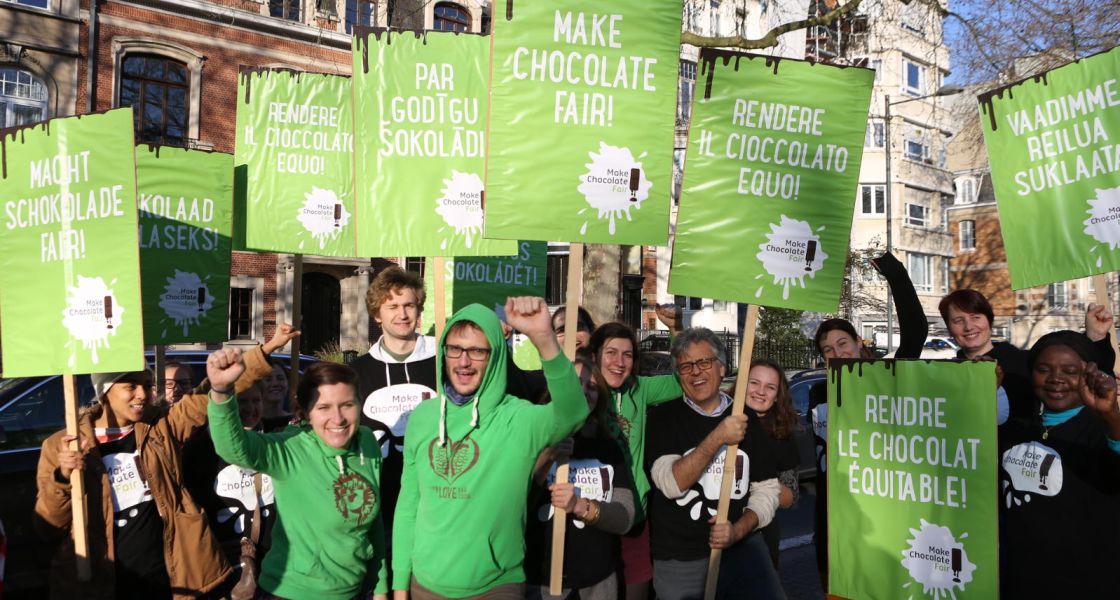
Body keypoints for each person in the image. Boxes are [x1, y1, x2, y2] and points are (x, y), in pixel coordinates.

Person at [34, 331, 288, 599]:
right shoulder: (64, 445)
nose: (142, 394)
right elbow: (48, 526)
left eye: (146, 385)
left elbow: (210, 392)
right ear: (105, 392)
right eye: (130, 387)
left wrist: (267, 349)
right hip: (101, 581)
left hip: (166, 575)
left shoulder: (161, 426)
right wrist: (64, 476)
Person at [392, 298, 588, 599]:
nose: (463, 361)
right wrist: (400, 582)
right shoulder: (423, 417)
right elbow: (408, 505)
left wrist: (544, 339)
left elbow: (573, 412)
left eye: (477, 351)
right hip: (425, 585)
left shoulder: (519, 418)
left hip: (495, 586)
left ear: (495, 356)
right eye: (455, 348)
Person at [208, 354, 389, 600]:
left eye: (347, 404)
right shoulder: (289, 448)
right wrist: (221, 391)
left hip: (354, 592)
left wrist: (380, 587)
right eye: (323, 408)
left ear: (360, 404)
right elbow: (232, 447)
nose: (338, 418)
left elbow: (373, 523)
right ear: (307, 413)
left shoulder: (366, 441)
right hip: (290, 592)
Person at [809, 251, 927, 584]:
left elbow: (916, 333)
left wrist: (895, 273)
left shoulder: (885, 378)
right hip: (834, 522)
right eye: (828, 350)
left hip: (883, 520)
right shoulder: (820, 393)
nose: (838, 353)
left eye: (843, 343)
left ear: (859, 342)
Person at [645, 328, 785, 600]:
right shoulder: (662, 419)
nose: (696, 372)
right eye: (686, 366)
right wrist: (719, 436)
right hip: (682, 560)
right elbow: (672, 484)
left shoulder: (746, 418)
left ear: (722, 368)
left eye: (704, 362)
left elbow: (767, 490)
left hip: (744, 551)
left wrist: (738, 530)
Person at [998, 330, 1120, 597]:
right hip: (1022, 582)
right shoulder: (1015, 429)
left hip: (1087, 585)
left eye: (1070, 371)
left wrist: (1111, 418)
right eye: (1044, 369)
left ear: (1088, 375)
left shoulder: (1102, 430)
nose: (1056, 378)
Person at [525, 353, 636, 600]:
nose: (584, 391)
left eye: (592, 387)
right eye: (575, 383)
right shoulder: (532, 437)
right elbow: (515, 507)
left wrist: (579, 505)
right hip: (542, 581)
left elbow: (625, 517)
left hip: (598, 582)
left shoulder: (608, 447)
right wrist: (547, 457)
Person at [587, 322, 682, 600]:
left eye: (627, 355)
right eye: (611, 353)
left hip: (633, 516)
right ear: (594, 356)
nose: (619, 362)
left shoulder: (639, 389)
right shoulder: (582, 393)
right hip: (590, 517)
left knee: (636, 591)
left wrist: (675, 329)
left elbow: (681, 382)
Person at [939, 289, 1115, 420]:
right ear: (949, 327)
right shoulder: (944, 373)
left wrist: (1096, 337)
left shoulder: (1027, 362)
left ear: (989, 320)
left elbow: (1091, 381)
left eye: (976, 317)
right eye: (958, 320)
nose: (968, 327)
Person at [352, 266, 438, 533]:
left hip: (436, 502)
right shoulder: (357, 372)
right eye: (393, 307)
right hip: (378, 507)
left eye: (409, 305)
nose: (402, 314)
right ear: (377, 314)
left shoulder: (444, 360)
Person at [183, 379, 287, 567]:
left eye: (256, 400)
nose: (250, 408)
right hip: (226, 559)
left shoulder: (277, 436)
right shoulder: (199, 448)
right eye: (242, 401)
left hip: (275, 556)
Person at [743, 359, 802, 568]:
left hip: (761, 538)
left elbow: (790, 497)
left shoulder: (781, 434)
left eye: (770, 387)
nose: (760, 392)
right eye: (754, 383)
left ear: (777, 396)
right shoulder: (720, 419)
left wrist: (760, 482)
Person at [261, 360, 292, 427]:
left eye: (280, 378)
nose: (275, 383)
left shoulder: (295, 423)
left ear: (288, 383)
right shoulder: (251, 424)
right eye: (268, 379)